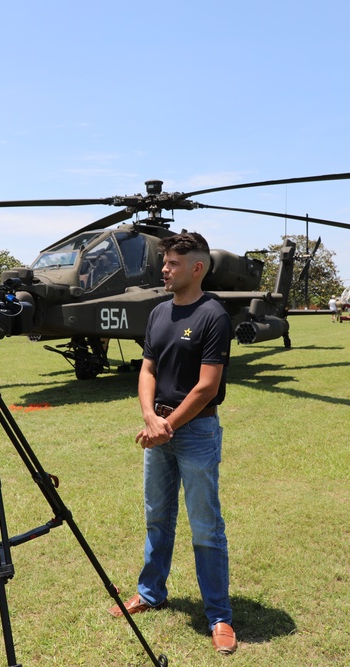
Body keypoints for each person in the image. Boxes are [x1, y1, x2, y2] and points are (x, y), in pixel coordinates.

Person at [108, 232, 237, 655]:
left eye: (173, 263)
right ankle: (150, 593)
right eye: (164, 262)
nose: (164, 269)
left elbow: (206, 387)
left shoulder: (214, 314)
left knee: (205, 524)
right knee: (156, 517)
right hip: (158, 429)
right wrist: (150, 416)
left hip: (197, 432)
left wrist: (167, 425)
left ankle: (219, 616)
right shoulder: (160, 312)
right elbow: (146, 369)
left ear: (197, 268)